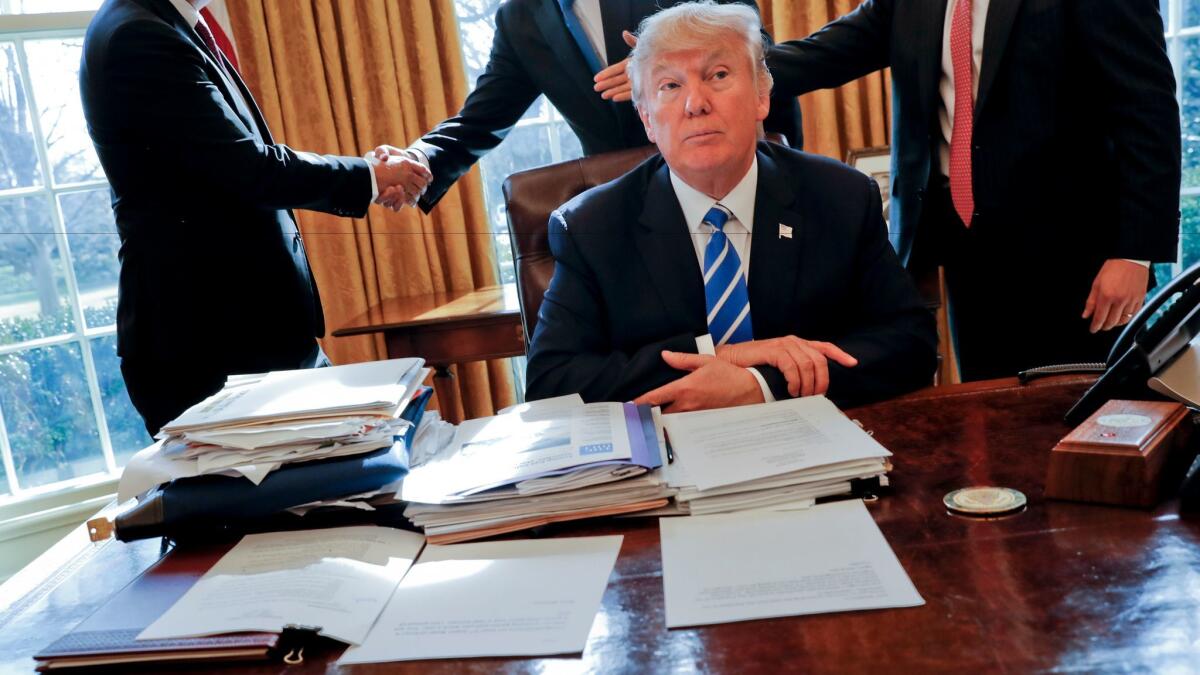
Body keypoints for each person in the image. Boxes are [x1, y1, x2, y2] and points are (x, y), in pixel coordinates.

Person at [524, 1, 937, 412]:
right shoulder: (592, 226)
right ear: (647, 119)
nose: (695, 103)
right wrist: (719, 356)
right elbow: (552, 383)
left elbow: (910, 345)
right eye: (670, 86)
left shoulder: (840, 196)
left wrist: (762, 382)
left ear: (762, 96)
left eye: (717, 75)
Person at [765, 0, 1181, 380]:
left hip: (1072, 257)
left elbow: (1148, 109)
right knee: (992, 411)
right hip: (965, 245)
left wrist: (1134, 252)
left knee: (1083, 423)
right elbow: (824, 55)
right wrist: (724, 69)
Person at [80, 0, 430, 435]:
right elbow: (249, 169)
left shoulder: (164, 25)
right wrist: (371, 177)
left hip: (256, 333)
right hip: (208, 343)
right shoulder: (140, 36)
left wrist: (370, 174)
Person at [376, 0, 803, 213]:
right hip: (630, 208)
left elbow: (752, 50)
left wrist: (661, 61)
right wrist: (418, 158)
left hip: (740, 184)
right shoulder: (520, 17)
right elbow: (481, 120)